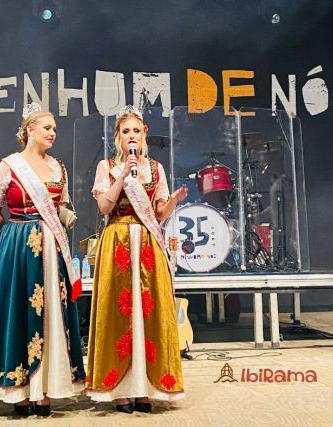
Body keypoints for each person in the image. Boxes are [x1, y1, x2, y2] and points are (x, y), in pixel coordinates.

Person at [0, 103, 85, 417]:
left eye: (54, 129)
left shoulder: (58, 167)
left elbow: (61, 205)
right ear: (29, 129)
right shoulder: (9, 166)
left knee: (52, 312)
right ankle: (20, 389)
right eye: (47, 128)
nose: (53, 133)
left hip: (52, 248)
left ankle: (47, 388)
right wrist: (10, 241)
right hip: (19, 245)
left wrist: (64, 216)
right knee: (19, 312)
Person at [86, 105, 188, 413]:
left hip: (147, 242)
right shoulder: (107, 167)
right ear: (117, 137)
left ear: (144, 134)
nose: (131, 136)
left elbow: (159, 213)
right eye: (125, 131)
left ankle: (144, 388)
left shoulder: (156, 169)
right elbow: (104, 207)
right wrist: (123, 175)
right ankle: (121, 390)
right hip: (117, 240)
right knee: (119, 313)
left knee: (147, 312)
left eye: (136, 130)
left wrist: (173, 201)